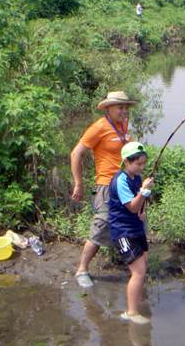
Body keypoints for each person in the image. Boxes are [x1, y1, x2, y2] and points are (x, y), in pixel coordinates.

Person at [71, 91, 139, 289]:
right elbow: (76, 153)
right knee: (102, 225)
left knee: (133, 222)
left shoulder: (123, 125)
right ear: (108, 108)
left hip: (127, 183)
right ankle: (82, 269)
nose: (125, 111)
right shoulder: (98, 127)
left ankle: (132, 263)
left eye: (126, 107)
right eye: (121, 107)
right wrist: (79, 183)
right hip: (106, 186)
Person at [108, 142, 154, 324]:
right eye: (138, 163)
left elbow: (138, 206)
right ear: (126, 162)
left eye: (144, 163)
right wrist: (144, 191)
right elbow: (132, 205)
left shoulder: (136, 176)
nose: (142, 167)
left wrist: (143, 210)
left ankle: (139, 298)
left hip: (136, 227)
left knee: (144, 261)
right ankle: (131, 312)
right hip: (123, 232)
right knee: (139, 271)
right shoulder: (120, 180)